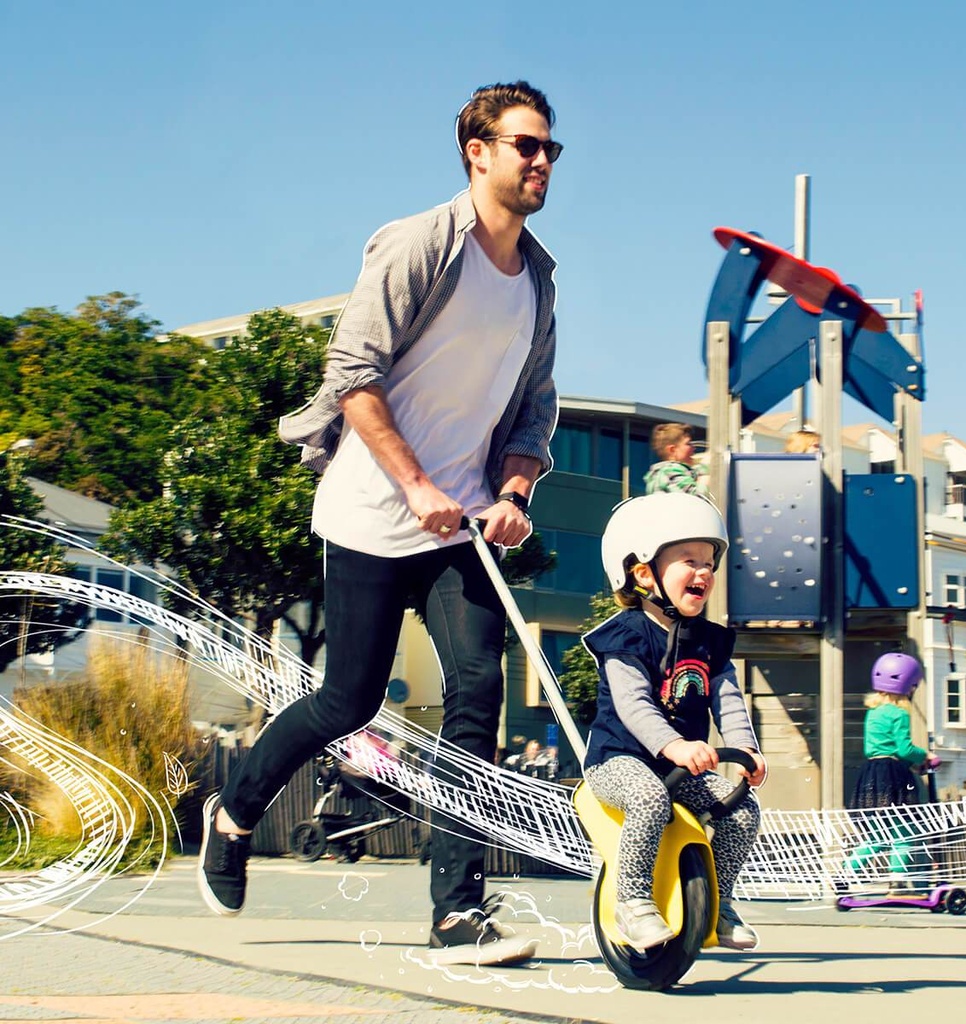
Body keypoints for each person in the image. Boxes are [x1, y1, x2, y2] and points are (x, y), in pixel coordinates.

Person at [197, 80, 562, 968]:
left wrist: (511, 494)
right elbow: (354, 372)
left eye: (551, 149)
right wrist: (413, 482)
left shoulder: (541, 279)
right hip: (371, 510)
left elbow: (532, 413)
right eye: (526, 146)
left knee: (478, 684)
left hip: (461, 525)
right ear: (478, 151)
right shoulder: (418, 245)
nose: (542, 161)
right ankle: (237, 810)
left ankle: (456, 911)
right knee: (348, 699)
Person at [582, 491, 767, 951]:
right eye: (689, 560)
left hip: (680, 768)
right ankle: (632, 903)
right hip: (618, 762)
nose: (703, 572)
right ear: (643, 572)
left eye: (709, 562)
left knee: (741, 809)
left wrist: (746, 749)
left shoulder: (709, 641)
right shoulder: (625, 636)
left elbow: (728, 699)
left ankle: (719, 904)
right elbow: (634, 706)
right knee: (647, 797)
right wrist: (674, 745)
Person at [847, 653, 938, 887]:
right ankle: (897, 881)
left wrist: (912, 763)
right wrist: (926, 756)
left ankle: (845, 873)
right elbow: (904, 748)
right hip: (893, 777)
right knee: (904, 830)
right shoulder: (899, 713)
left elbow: (876, 747)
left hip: (872, 774)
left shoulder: (874, 712)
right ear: (910, 685)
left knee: (877, 834)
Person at [643, 423, 710, 497]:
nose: (693, 448)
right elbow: (697, 499)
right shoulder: (669, 473)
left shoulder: (666, 474)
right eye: (688, 444)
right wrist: (705, 472)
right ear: (673, 450)